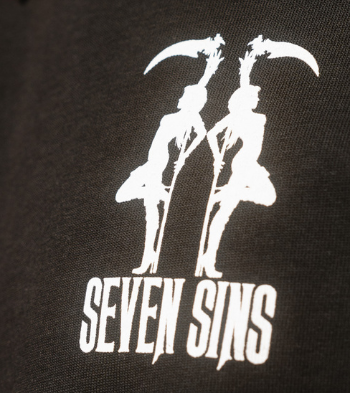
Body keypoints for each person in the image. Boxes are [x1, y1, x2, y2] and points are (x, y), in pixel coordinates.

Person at [116, 83, 207, 274]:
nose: (181, 97)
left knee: (148, 211)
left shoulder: (191, 117)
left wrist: (185, 155)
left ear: (192, 101)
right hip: (151, 163)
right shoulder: (173, 116)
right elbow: (200, 86)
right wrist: (207, 73)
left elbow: (202, 134)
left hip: (158, 164)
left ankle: (148, 255)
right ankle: (160, 197)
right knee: (126, 197)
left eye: (185, 95)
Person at [197, 83, 275, 278]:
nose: (258, 100)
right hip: (243, 164)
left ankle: (227, 194)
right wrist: (217, 157)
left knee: (265, 197)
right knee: (226, 212)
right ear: (245, 99)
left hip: (249, 163)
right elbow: (211, 133)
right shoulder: (241, 117)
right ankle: (209, 259)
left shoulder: (257, 117)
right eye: (254, 97)